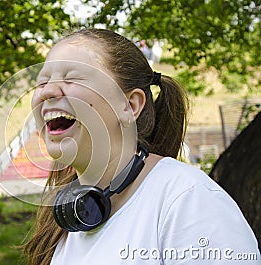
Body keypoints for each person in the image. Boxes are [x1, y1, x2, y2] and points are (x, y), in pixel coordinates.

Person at [24, 28, 260, 265]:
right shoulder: (68, 219)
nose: (48, 92)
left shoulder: (189, 201)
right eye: (42, 82)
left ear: (129, 105)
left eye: (72, 78)